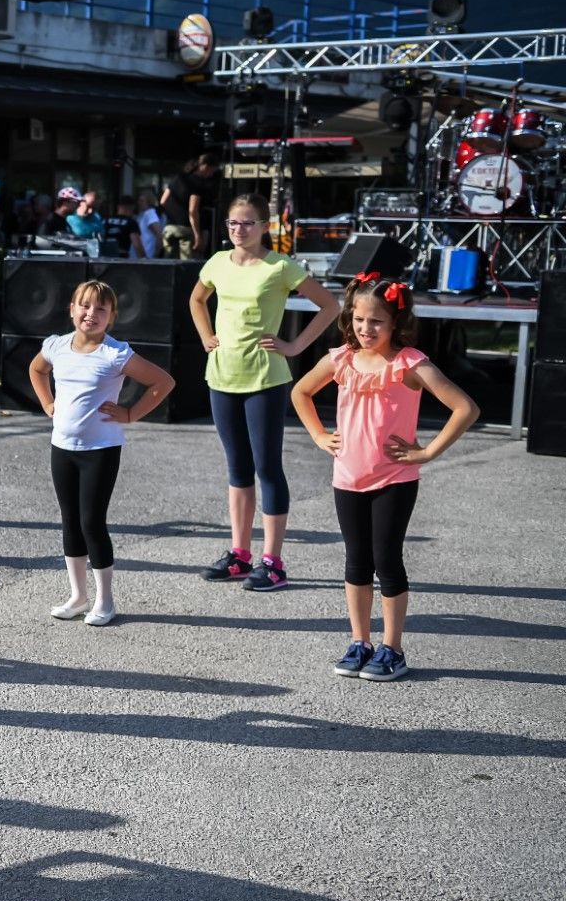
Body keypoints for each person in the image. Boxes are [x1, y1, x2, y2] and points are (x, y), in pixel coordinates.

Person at [291, 274, 479, 682]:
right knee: (356, 563)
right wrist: (319, 434)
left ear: (396, 322)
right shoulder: (341, 359)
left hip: (394, 479)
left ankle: (393, 648)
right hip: (347, 477)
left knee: (387, 562)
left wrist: (427, 452)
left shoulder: (409, 363)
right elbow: (300, 392)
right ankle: (360, 641)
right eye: (359, 319)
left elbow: (465, 408)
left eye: (376, 321)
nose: (365, 328)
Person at [189, 194, 342, 591]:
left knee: (267, 467)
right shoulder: (217, 262)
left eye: (248, 223)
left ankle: (273, 561)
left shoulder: (280, 266)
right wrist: (207, 336)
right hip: (222, 376)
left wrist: (294, 347)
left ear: (264, 226)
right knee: (237, 468)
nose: (239, 230)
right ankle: (240, 555)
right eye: (232, 224)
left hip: (266, 380)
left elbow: (330, 306)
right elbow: (197, 298)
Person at [28, 280, 177, 627]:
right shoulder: (56, 346)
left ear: (111, 317)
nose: (90, 314)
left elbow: (163, 382)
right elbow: (37, 369)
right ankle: (78, 596)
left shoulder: (115, 353)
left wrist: (130, 413)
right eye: (84, 305)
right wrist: (47, 402)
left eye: (100, 309)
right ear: (71, 308)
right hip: (61, 448)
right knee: (70, 521)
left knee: (91, 522)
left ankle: (105, 601)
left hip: (100, 450)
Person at [161, 154, 221, 259]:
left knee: (168, 263)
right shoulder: (197, 184)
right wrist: (197, 235)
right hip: (186, 228)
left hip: (169, 227)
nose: (211, 175)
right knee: (187, 266)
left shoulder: (178, 178)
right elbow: (193, 210)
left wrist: (173, 214)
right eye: (211, 171)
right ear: (205, 166)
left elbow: (163, 201)